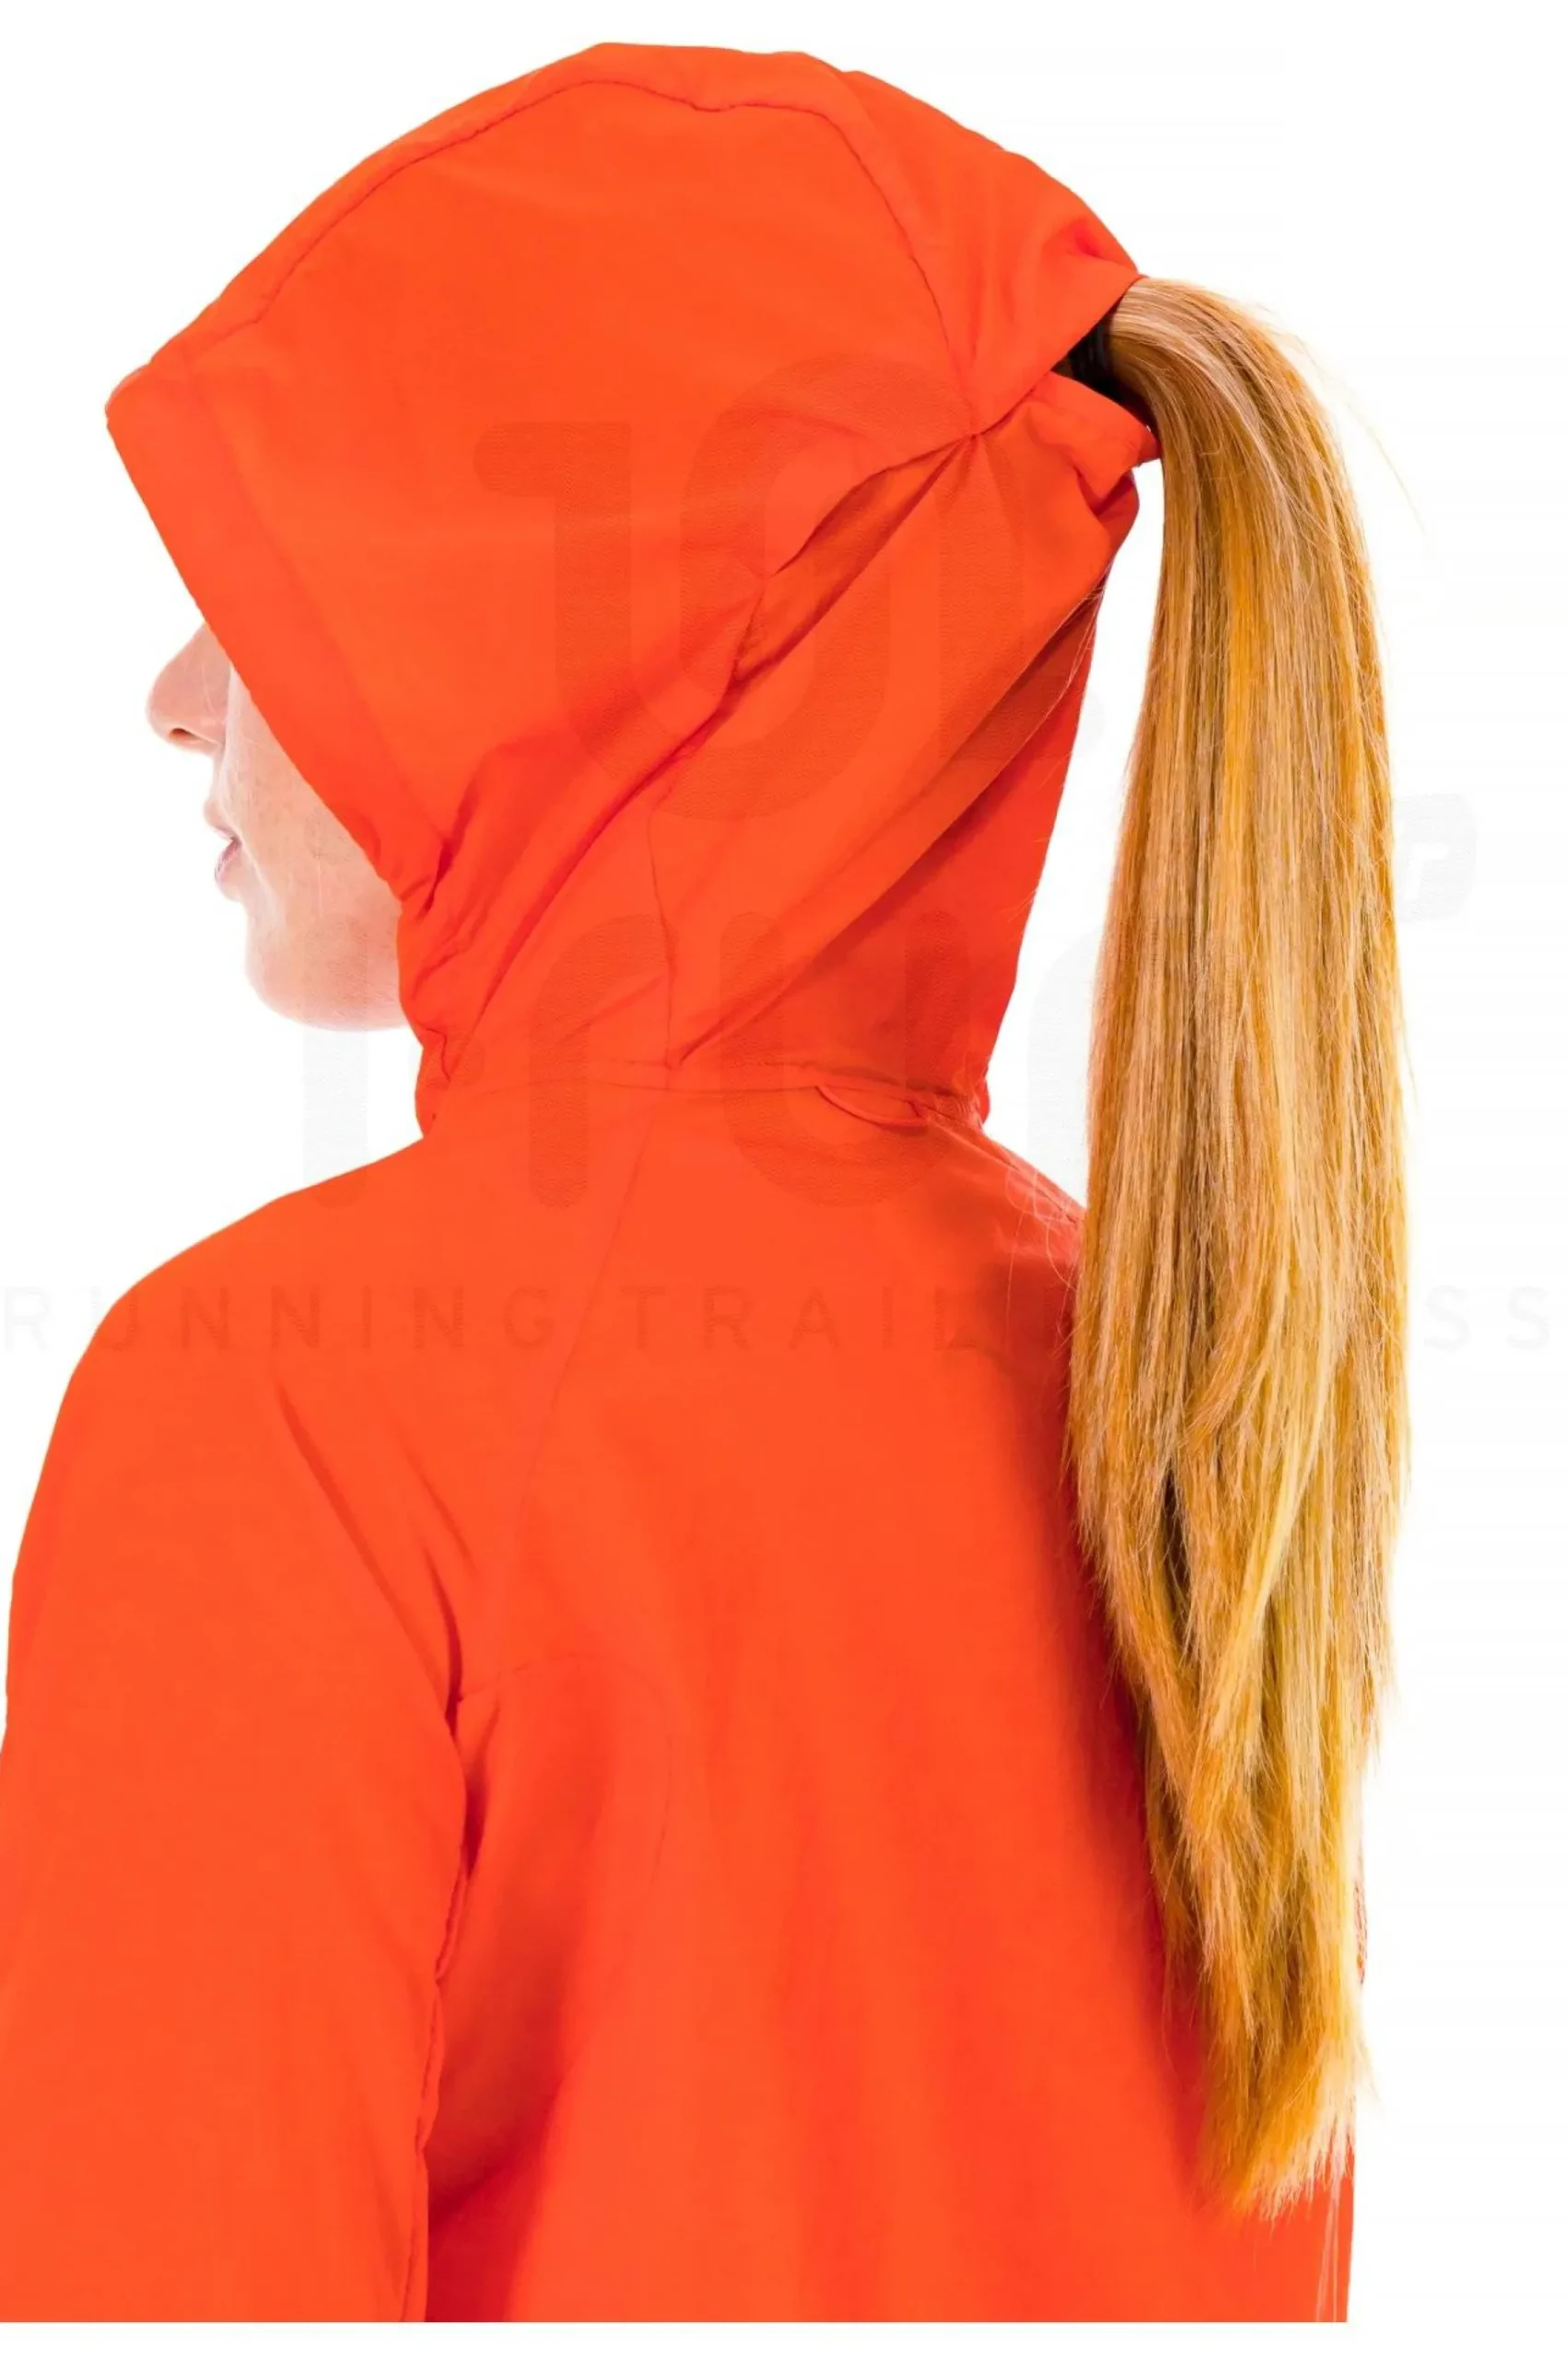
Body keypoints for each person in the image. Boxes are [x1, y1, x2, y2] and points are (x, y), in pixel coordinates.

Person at [0, 41, 1406, 2321]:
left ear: (538, 650)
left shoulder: (287, 1395)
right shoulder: (1163, 1353)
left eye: (269, 581)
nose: (173, 691)